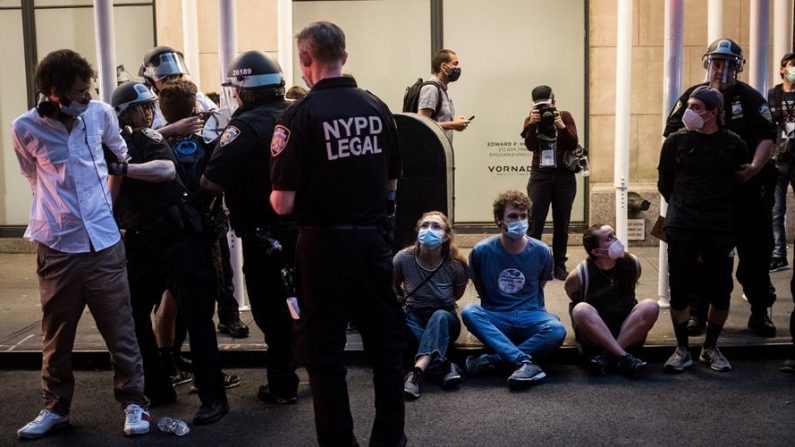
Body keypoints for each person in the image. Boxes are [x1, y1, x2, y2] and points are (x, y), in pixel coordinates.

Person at [270, 21, 406, 447]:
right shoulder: (377, 107)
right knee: (386, 346)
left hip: (323, 247)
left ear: (306, 60)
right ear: (343, 56)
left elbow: (282, 203)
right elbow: (391, 185)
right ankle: (390, 439)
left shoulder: (297, 116)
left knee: (324, 353)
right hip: (372, 243)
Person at [11, 49, 150, 438]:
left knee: (121, 330)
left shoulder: (101, 114)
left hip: (104, 242)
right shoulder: (24, 128)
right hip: (57, 244)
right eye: (78, 91)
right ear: (54, 93)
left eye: (88, 89)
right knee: (56, 335)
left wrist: (107, 207)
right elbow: (32, 178)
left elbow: (119, 159)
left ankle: (135, 403)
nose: (87, 97)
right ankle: (55, 408)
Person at [110, 81, 230, 424]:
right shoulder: (118, 142)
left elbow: (166, 169)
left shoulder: (149, 138)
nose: (149, 112)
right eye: (143, 107)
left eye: (150, 107)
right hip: (143, 241)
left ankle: (213, 398)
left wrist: (123, 168)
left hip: (179, 238)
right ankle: (158, 387)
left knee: (197, 319)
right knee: (132, 314)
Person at [200, 50, 300, 405]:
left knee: (272, 312)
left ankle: (282, 383)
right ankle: (319, 375)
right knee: (305, 306)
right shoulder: (298, 114)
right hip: (307, 233)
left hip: (264, 236)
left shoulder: (244, 127)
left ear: (244, 90)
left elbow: (211, 182)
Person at [664, 38, 778, 338]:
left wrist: (753, 168)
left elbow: (768, 136)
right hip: (705, 202)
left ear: (738, 67)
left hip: (747, 196)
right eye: (716, 63)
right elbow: (671, 139)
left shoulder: (751, 100)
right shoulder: (692, 97)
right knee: (701, 260)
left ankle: (759, 310)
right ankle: (697, 315)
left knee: (756, 256)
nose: (721, 70)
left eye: (728, 65)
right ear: (707, 64)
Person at [658, 86, 750, 373]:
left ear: (714, 112)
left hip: (719, 225)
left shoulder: (734, 144)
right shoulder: (675, 142)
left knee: (721, 290)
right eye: (690, 105)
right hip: (683, 222)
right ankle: (682, 349)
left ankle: (710, 347)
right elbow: (665, 183)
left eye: (697, 107)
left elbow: (741, 187)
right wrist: (682, 209)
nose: (690, 111)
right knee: (681, 291)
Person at [461, 190, 567, 389]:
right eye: (512, 216)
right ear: (499, 219)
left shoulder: (542, 251)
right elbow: (480, 286)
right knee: (469, 312)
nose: (519, 221)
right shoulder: (481, 251)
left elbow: (539, 286)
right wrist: (496, 307)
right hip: (497, 316)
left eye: (523, 216)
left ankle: (496, 360)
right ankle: (523, 362)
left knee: (556, 328)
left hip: (531, 315)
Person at [564, 224, 659, 378]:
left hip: (626, 329)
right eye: (609, 238)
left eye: (614, 234)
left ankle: (610, 356)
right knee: (580, 309)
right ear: (596, 252)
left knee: (651, 305)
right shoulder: (580, 274)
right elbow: (571, 293)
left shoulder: (633, 263)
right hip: (596, 333)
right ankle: (623, 356)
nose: (616, 240)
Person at [394, 211, 469, 399]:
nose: (429, 230)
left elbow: (456, 296)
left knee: (440, 316)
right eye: (425, 225)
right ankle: (443, 365)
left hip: (444, 318)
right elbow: (394, 286)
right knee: (396, 320)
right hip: (413, 316)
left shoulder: (457, 265)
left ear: (446, 236)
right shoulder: (403, 258)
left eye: (436, 227)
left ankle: (416, 373)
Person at [521, 85, 580, 280]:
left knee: (562, 222)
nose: (544, 109)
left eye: (546, 104)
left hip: (564, 176)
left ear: (553, 101)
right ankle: (534, 264)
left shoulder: (564, 116)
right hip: (540, 176)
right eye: (539, 105)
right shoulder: (530, 119)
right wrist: (531, 125)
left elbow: (573, 142)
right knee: (535, 222)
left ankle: (559, 265)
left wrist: (561, 126)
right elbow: (530, 146)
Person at [141, 46, 216, 137]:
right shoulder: (146, 105)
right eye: (164, 78)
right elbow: (141, 139)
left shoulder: (193, 94)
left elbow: (219, 119)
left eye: (175, 76)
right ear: (151, 80)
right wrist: (171, 129)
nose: (171, 80)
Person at [769, 52, 795, 272]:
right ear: (782, 69)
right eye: (792, 66)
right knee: (776, 209)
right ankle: (779, 254)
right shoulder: (774, 94)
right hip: (779, 159)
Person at [416, 49, 471, 141]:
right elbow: (422, 124)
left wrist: (454, 123)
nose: (458, 68)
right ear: (444, 67)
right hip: (431, 151)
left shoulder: (441, 89)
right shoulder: (431, 89)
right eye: (455, 64)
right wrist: (453, 125)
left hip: (440, 151)